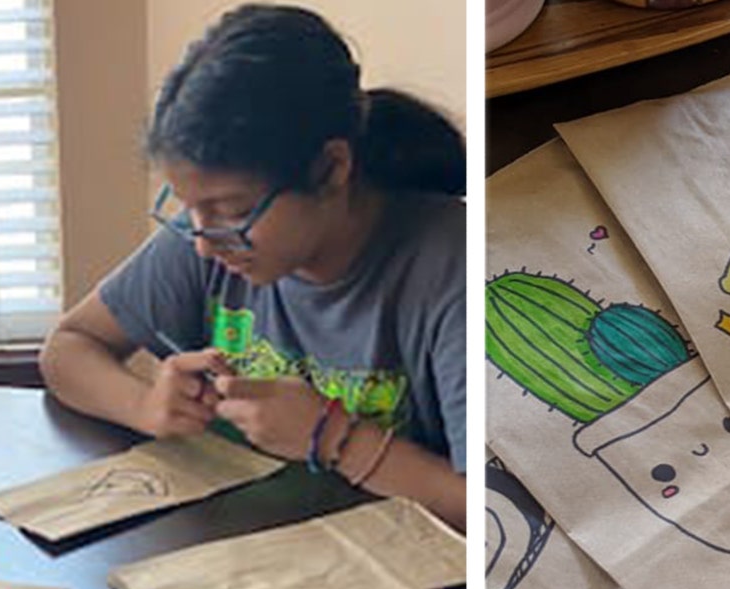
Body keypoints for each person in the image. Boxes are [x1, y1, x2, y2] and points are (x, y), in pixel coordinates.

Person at [41, 4, 467, 530]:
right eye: (187, 207)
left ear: (333, 168)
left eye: (234, 211)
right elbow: (68, 349)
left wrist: (332, 437)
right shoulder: (210, 237)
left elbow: (492, 507)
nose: (202, 243)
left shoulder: (451, 267)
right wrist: (147, 405)